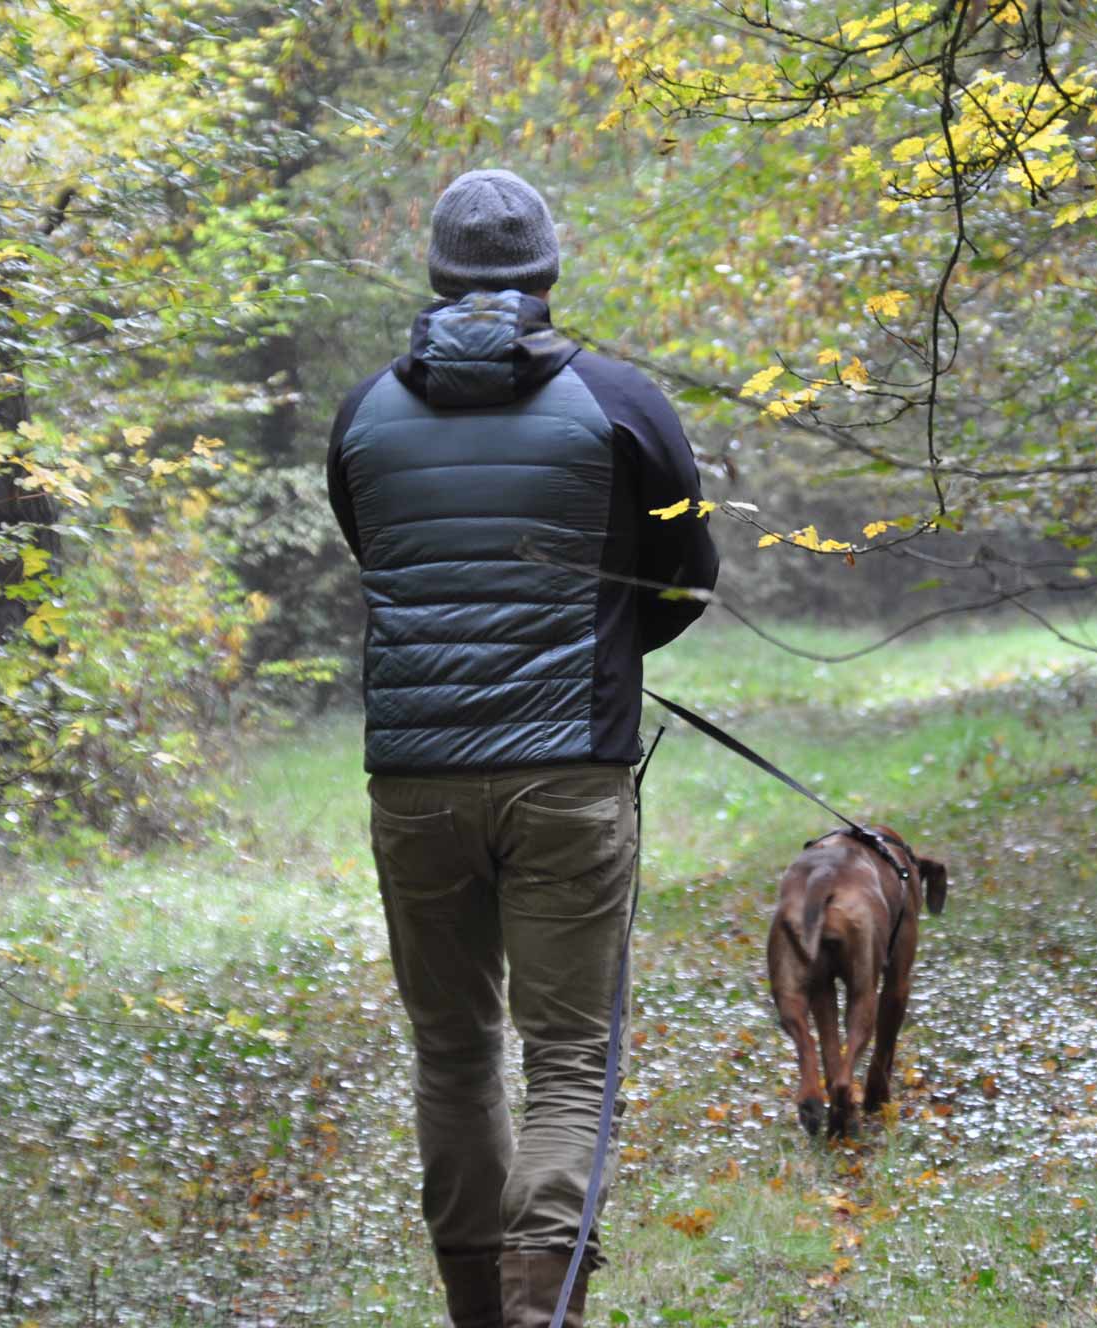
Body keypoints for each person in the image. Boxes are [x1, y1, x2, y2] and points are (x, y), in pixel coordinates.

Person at [325, 168, 719, 1328]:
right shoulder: (618, 402)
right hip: (567, 777)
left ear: (438, 277)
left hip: (414, 783)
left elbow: (379, 563)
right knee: (568, 1059)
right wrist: (603, 649)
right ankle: (542, 1308)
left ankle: (476, 1315)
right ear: (545, 272)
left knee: (451, 1052)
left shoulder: (360, 415)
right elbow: (686, 578)